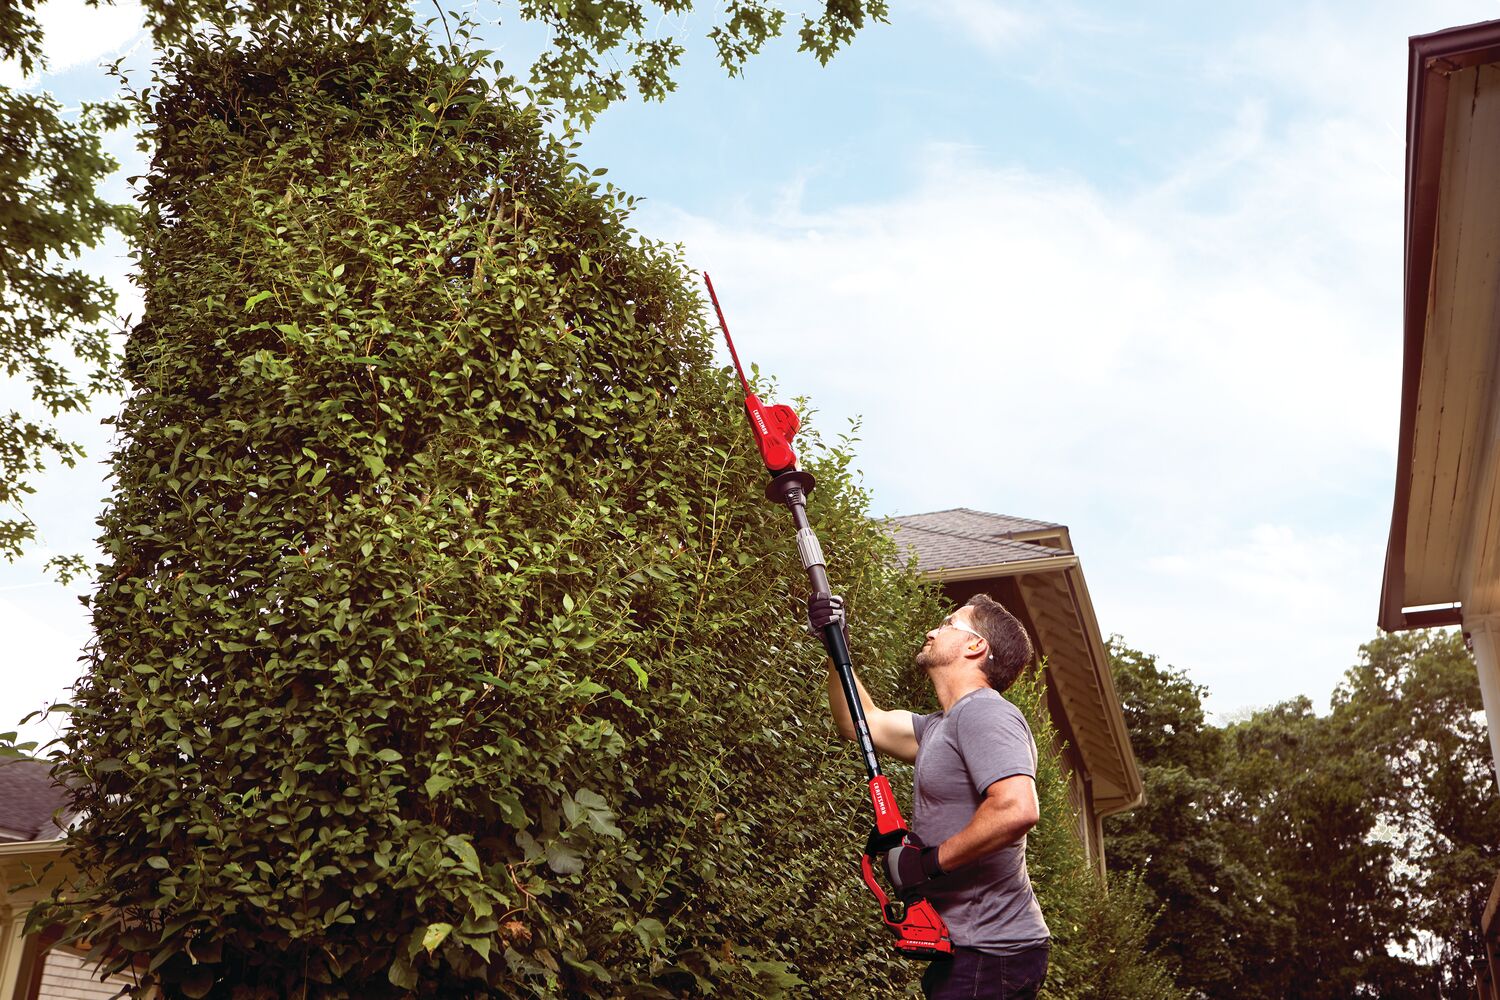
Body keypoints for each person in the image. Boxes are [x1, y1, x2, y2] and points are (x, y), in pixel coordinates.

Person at [810, 592, 1050, 1000]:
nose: (932, 631)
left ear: (976, 646)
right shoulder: (940, 726)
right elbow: (859, 722)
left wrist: (928, 864)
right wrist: (837, 646)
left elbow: (1016, 808)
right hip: (967, 947)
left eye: (949, 624)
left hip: (992, 951)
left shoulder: (987, 713)